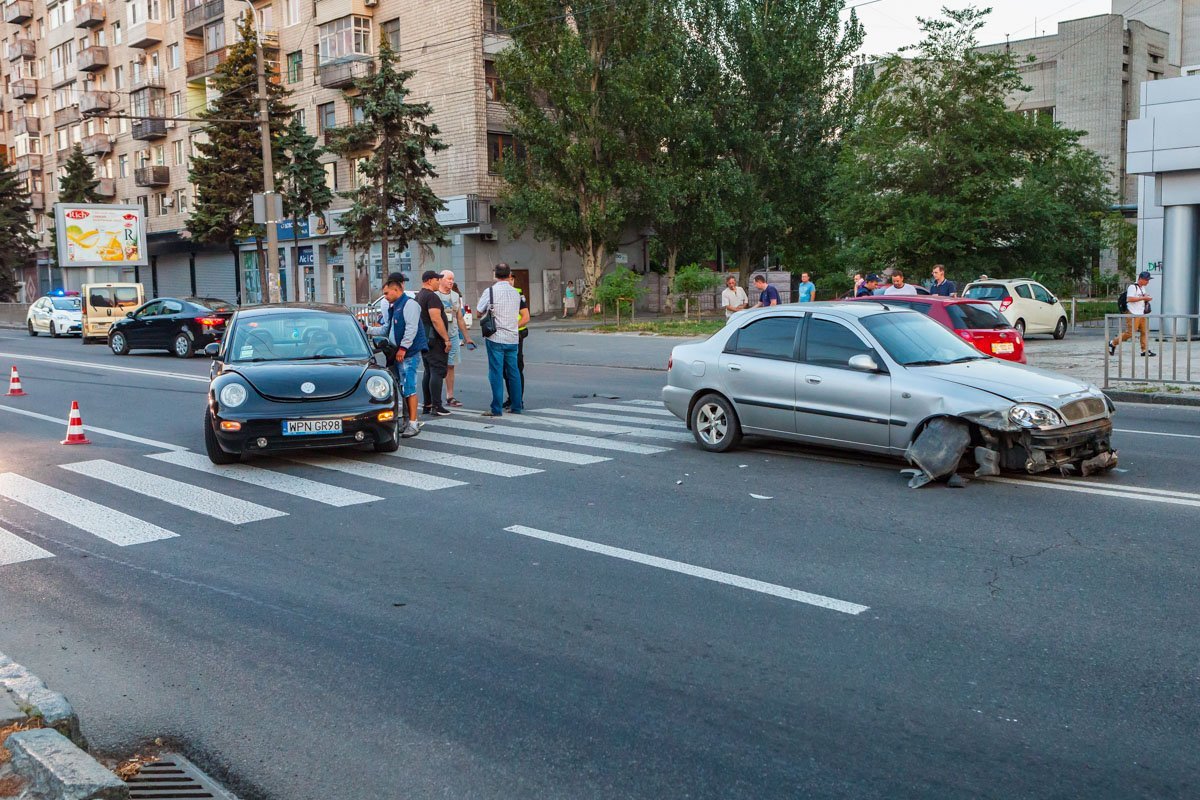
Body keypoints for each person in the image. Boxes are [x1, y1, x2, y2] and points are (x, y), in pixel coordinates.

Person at [366, 273, 423, 439]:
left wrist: (403, 348)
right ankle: (407, 420)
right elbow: (386, 329)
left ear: (396, 290)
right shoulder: (394, 307)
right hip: (397, 353)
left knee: (409, 387)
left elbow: (411, 329)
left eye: (386, 293)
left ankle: (413, 422)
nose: (385, 297)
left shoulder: (409, 305)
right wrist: (367, 329)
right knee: (402, 387)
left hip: (407, 354)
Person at [476, 263, 527, 417]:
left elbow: (478, 312)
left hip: (495, 337)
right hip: (513, 338)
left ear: (495, 275)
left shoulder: (490, 291)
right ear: (509, 275)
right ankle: (517, 406)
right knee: (514, 372)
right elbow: (523, 314)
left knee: (496, 372)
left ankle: (496, 408)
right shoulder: (516, 293)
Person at [416, 270, 453, 417]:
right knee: (437, 370)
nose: (439, 282)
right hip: (434, 340)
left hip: (424, 340)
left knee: (428, 371)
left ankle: (428, 404)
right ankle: (437, 406)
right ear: (430, 280)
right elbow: (436, 319)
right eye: (438, 280)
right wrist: (446, 339)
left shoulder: (419, 296)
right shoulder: (432, 297)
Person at [438, 270, 475, 407]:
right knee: (436, 367)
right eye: (448, 278)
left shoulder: (455, 296)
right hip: (438, 337)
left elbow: (459, 318)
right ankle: (434, 400)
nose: (451, 281)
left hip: (453, 335)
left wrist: (466, 337)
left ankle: (450, 396)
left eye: (452, 279)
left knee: (451, 366)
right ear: (440, 279)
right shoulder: (435, 295)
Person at [1109, 271, 1156, 357]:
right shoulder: (1132, 287)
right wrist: (1143, 297)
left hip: (1141, 313)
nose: (1148, 282)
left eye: (1148, 280)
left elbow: (1142, 297)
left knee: (1145, 331)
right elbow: (1129, 299)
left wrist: (1147, 298)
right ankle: (1113, 343)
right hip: (1132, 313)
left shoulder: (1142, 288)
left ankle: (1144, 350)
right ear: (1140, 279)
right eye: (1146, 280)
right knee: (1130, 333)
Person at [503, 273, 530, 410]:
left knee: (516, 368)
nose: (510, 281)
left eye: (512, 279)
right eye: (508, 278)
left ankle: (518, 400)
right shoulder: (497, 292)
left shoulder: (518, 294)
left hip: (517, 333)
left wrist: (513, 327)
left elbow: (525, 317)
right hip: (503, 335)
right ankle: (511, 398)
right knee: (505, 370)